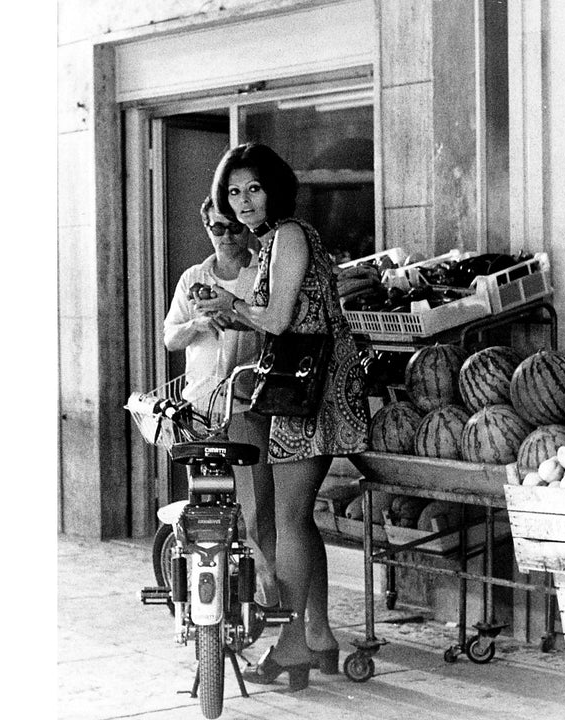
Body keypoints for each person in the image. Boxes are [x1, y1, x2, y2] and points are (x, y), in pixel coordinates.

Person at [199, 142, 369, 690]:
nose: (244, 201)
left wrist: (232, 308)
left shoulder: (290, 234)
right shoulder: (274, 239)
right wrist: (233, 316)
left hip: (312, 389)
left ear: (275, 188)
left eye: (254, 188)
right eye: (233, 191)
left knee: (291, 519)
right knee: (299, 519)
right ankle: (318, 634)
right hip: (302, 386)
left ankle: (293, 642)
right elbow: (285, 319)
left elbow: (278, 318)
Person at [163, 196, 278, 608]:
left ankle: (265, 594)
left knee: (255, 505)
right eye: (217, 228)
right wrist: (198, 322)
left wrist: (239, 316)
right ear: (206, 229)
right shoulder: (193, 277)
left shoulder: (261, 272)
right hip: (200, 406)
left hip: (247, 405)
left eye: (233, 227)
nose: (227, 237)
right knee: (205, 504)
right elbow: (169, 337)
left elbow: (277, 327)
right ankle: (211, 595)